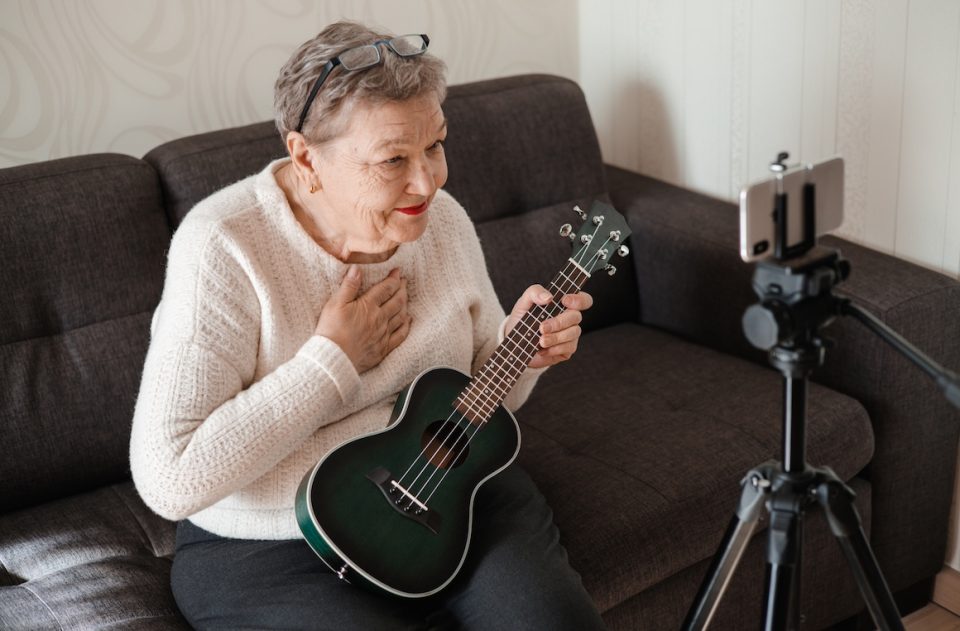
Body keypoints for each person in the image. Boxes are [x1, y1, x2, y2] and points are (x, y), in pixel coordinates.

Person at [130, 20, 606, 630]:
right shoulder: (223, 248)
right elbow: (170, 479)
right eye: (392, 160)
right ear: (306, 158)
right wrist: (331, 360)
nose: (428, 181)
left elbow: (473, 412)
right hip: (276, 540)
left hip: (445, 492)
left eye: (435, 145)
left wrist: (522, 352)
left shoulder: (443, 220)